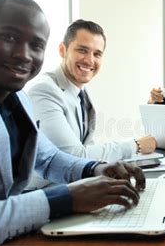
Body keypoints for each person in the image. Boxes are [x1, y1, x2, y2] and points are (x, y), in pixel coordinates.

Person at [0, 0, 143, 246]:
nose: (24, 54)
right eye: (9, 37)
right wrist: (61, 200)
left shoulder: (17, 98)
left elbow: (48, 159)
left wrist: (95, 168)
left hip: (7, 243)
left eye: (36, 45)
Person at [27, 19, 156, 163]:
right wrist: (135, 145)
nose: (89, 60)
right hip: (48, 185)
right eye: (82, 50)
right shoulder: (44, 90)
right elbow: (73, 156)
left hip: (76, 181)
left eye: (97, 54)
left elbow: (86, 148)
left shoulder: (81, 90)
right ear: (62, 50)